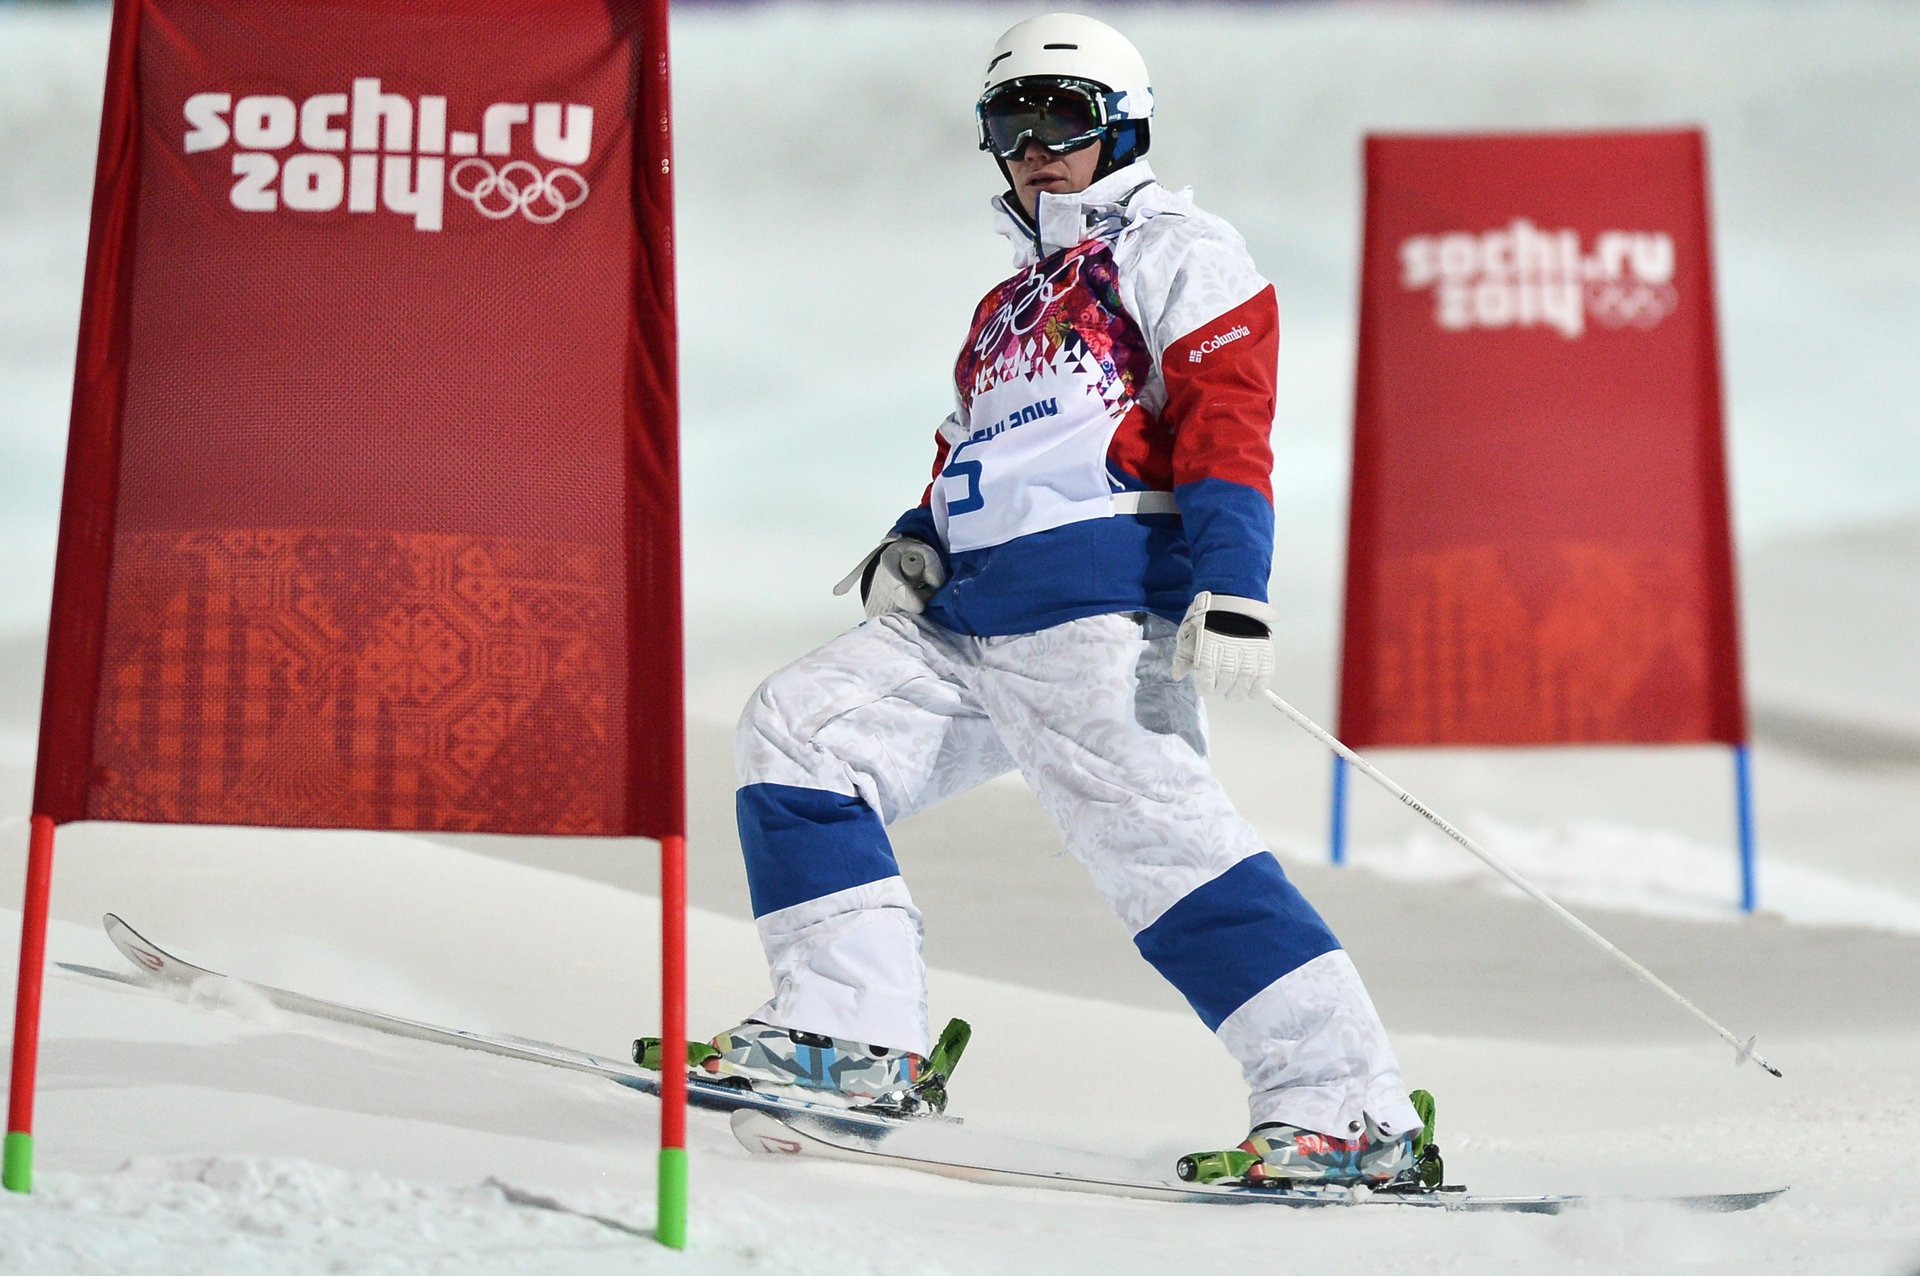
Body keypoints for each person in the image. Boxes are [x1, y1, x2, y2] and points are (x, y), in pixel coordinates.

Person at [708, 12, 1421, 1185]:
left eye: (1063, 119)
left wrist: (1233, 586)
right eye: (1010, 124)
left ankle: (1348, 1110)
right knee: (800, 728)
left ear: (1125, 127)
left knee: (1165, 856)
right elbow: (982, 450)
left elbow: (1228, 424)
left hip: (1099, 611)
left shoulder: (1179, 249)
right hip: (969, 618)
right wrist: (916, 538)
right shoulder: (1008, 305)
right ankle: (851, 1033)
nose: (1035, 148)